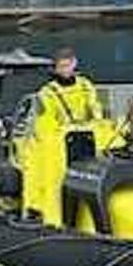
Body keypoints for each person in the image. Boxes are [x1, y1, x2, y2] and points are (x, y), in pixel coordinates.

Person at [24, 47, 104, 223]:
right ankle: (54, 215)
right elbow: (45, 123)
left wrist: (95, 122)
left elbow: (95, 109)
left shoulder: (85, 85)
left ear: (74, 64)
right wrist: (64, 129)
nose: (65, 70)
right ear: (56, 68)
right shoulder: (47, 92)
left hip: (85, 138)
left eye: (68, 65)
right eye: (61, 66)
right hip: (60, 144)